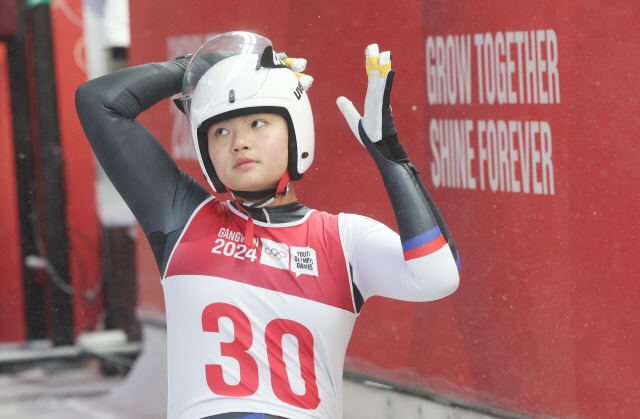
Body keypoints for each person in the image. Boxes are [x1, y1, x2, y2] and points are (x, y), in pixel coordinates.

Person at [75, 31, 460, 419]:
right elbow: (99, 102)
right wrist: (203, 68)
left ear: (296, 132)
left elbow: (437, 276)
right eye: (221, 131)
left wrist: (390, 157)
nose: (239, 142)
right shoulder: (184, 221)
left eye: (258, 123)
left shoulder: (344, 239)